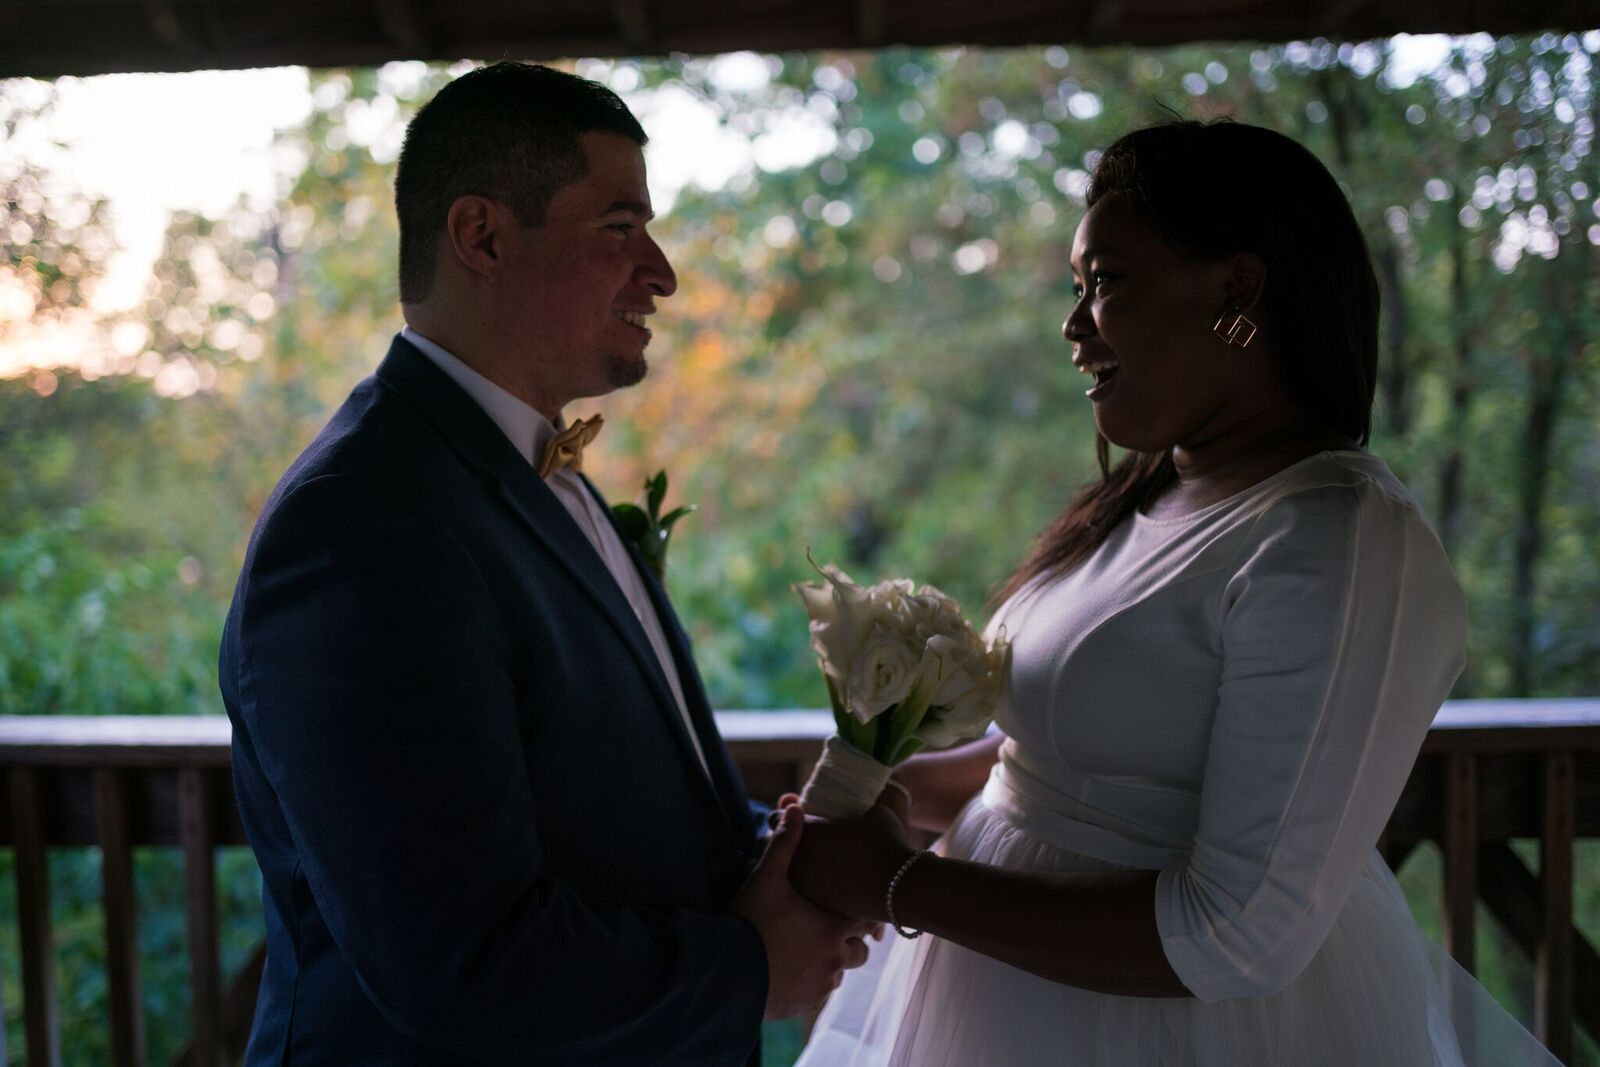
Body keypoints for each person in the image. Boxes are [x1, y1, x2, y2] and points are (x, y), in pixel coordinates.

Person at [787, 120, 1562, 1066]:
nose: (1074, 327)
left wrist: (902, 885)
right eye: (1077, 288)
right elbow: (1054, 775)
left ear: (1237, 291)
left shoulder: (1340, 538)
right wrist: (890, 793)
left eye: (1104, 282)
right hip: (1002, 1004)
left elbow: (1238, 931)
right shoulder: (1146, 495)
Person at [219, 61, 869, 1065]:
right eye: (618, 229)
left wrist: (783, 846)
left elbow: (585, 804)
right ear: (481, 235)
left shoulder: (534, 472)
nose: (660, 271)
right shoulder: (362, 524)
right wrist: (746, 967)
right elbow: (455, 954)